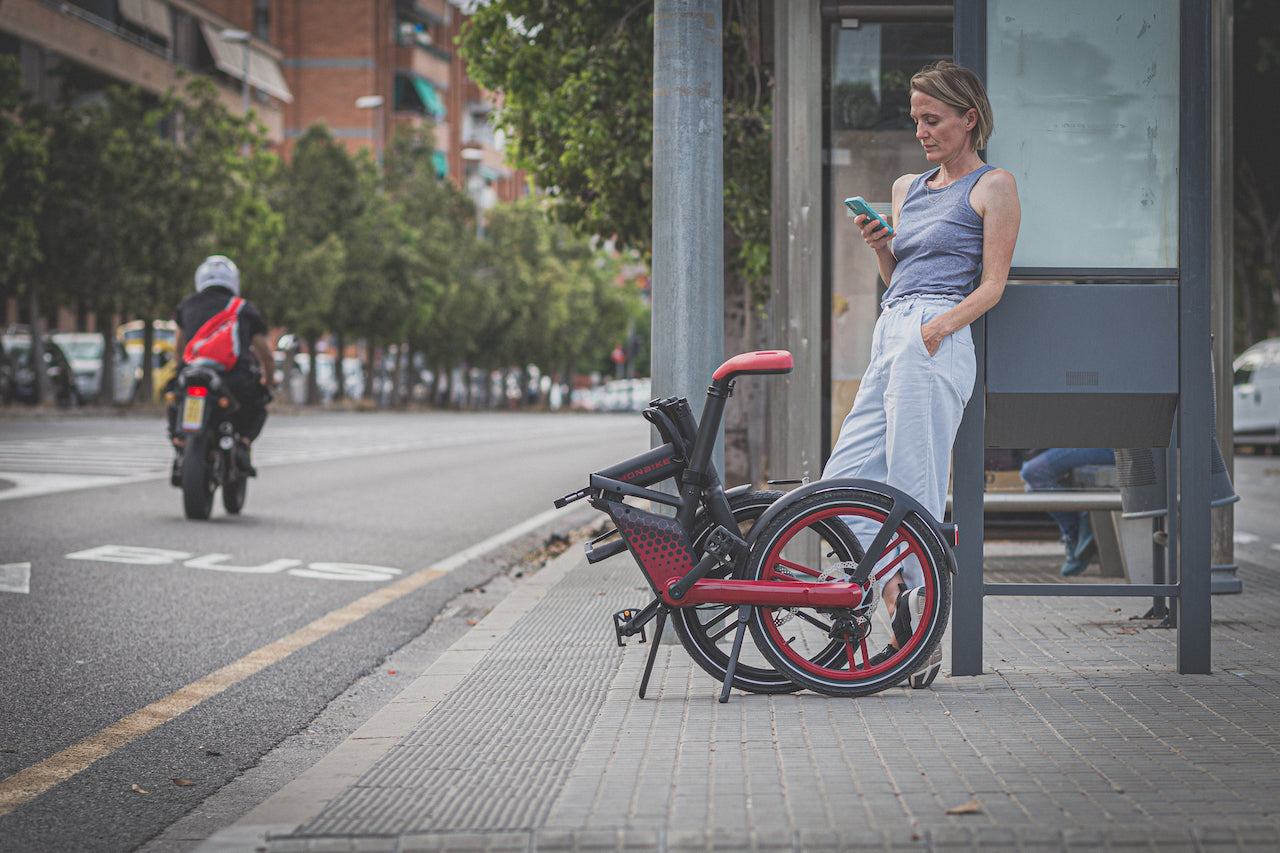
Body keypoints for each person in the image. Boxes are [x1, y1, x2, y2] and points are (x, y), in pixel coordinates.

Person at [822, 61, 1021, 681]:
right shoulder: (909, 186)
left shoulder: (994, 186)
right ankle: (895, 600)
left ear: (970, 118)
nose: (922, 131)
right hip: (894, 325)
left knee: (915, 479)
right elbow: (897, 276)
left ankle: (925, 623)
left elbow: (993, 286)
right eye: (916, 120)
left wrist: (938, 329)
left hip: (938, 331)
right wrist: (881, 244)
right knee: (841, 480)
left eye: (933, 120)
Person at [169, 255, 276, 470]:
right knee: (257, 404)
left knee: (175, 400)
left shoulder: (187, 304)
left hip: (192, 373)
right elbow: (264, 352)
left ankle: (180, 443)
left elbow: (179, 347)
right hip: (233, 379)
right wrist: (269, 380)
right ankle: (243, 445)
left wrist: (179, 370)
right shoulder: (243, 308)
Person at [1019, 448, 1117, 576]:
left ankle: (1074, 531)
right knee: (1033, 480)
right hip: (1092, 442)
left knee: (1033, 472)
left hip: (1111, 447)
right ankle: (1081, 519)